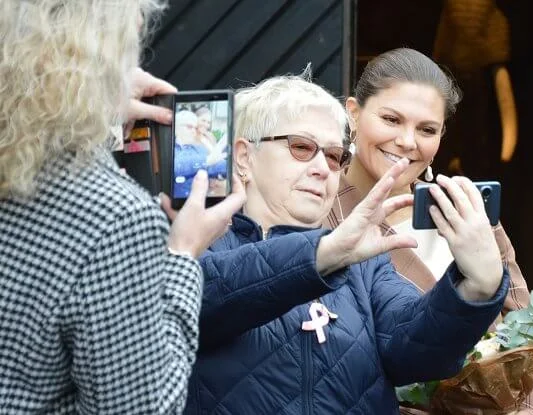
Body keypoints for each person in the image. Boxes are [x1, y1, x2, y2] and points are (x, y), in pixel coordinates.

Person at [181, 72, 510, 415]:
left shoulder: (361, 258)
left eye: (334, 156)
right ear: (245, 157)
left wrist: (476, 285)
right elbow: (203, 297)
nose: (323, 168)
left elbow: (417, 350)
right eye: (302, 148)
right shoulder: (195, 242)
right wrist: (324, 254)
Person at [0, 1, 244, 413]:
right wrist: (182, 255)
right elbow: (141, 408)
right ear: (104, 57)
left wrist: (95, 117)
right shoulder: (116, 218)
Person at [323, 47, 533, 414]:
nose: (407, 141)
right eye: (391, 119)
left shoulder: (467, 212)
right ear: (353, 113)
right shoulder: (317, 213)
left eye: (426, 129)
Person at [173, 110, 228, 199]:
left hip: (202, 201)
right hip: (179, 204)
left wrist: (233, 166)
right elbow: (176, 167)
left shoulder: (199, 149)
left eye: (195, 128)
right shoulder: (170, 148)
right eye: (189, 127)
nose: (193, 131)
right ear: (176, 128)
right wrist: (206, 161)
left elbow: (215, 166)